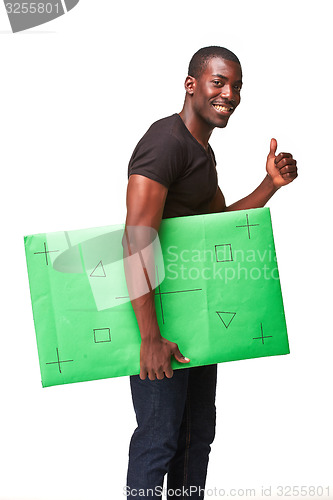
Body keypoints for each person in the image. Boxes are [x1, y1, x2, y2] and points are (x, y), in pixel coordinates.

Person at [123, 46, 298, 499]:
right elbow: (137, 239)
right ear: (191, 85)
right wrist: (149, 338)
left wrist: (269, 186)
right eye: (219, 82)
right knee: (158, 441)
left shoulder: (200, 152)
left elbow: (217, 229)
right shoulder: (165, 142)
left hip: (196, 320)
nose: (230, 94)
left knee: (194, 438)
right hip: (161, 323)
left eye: (236, 85)